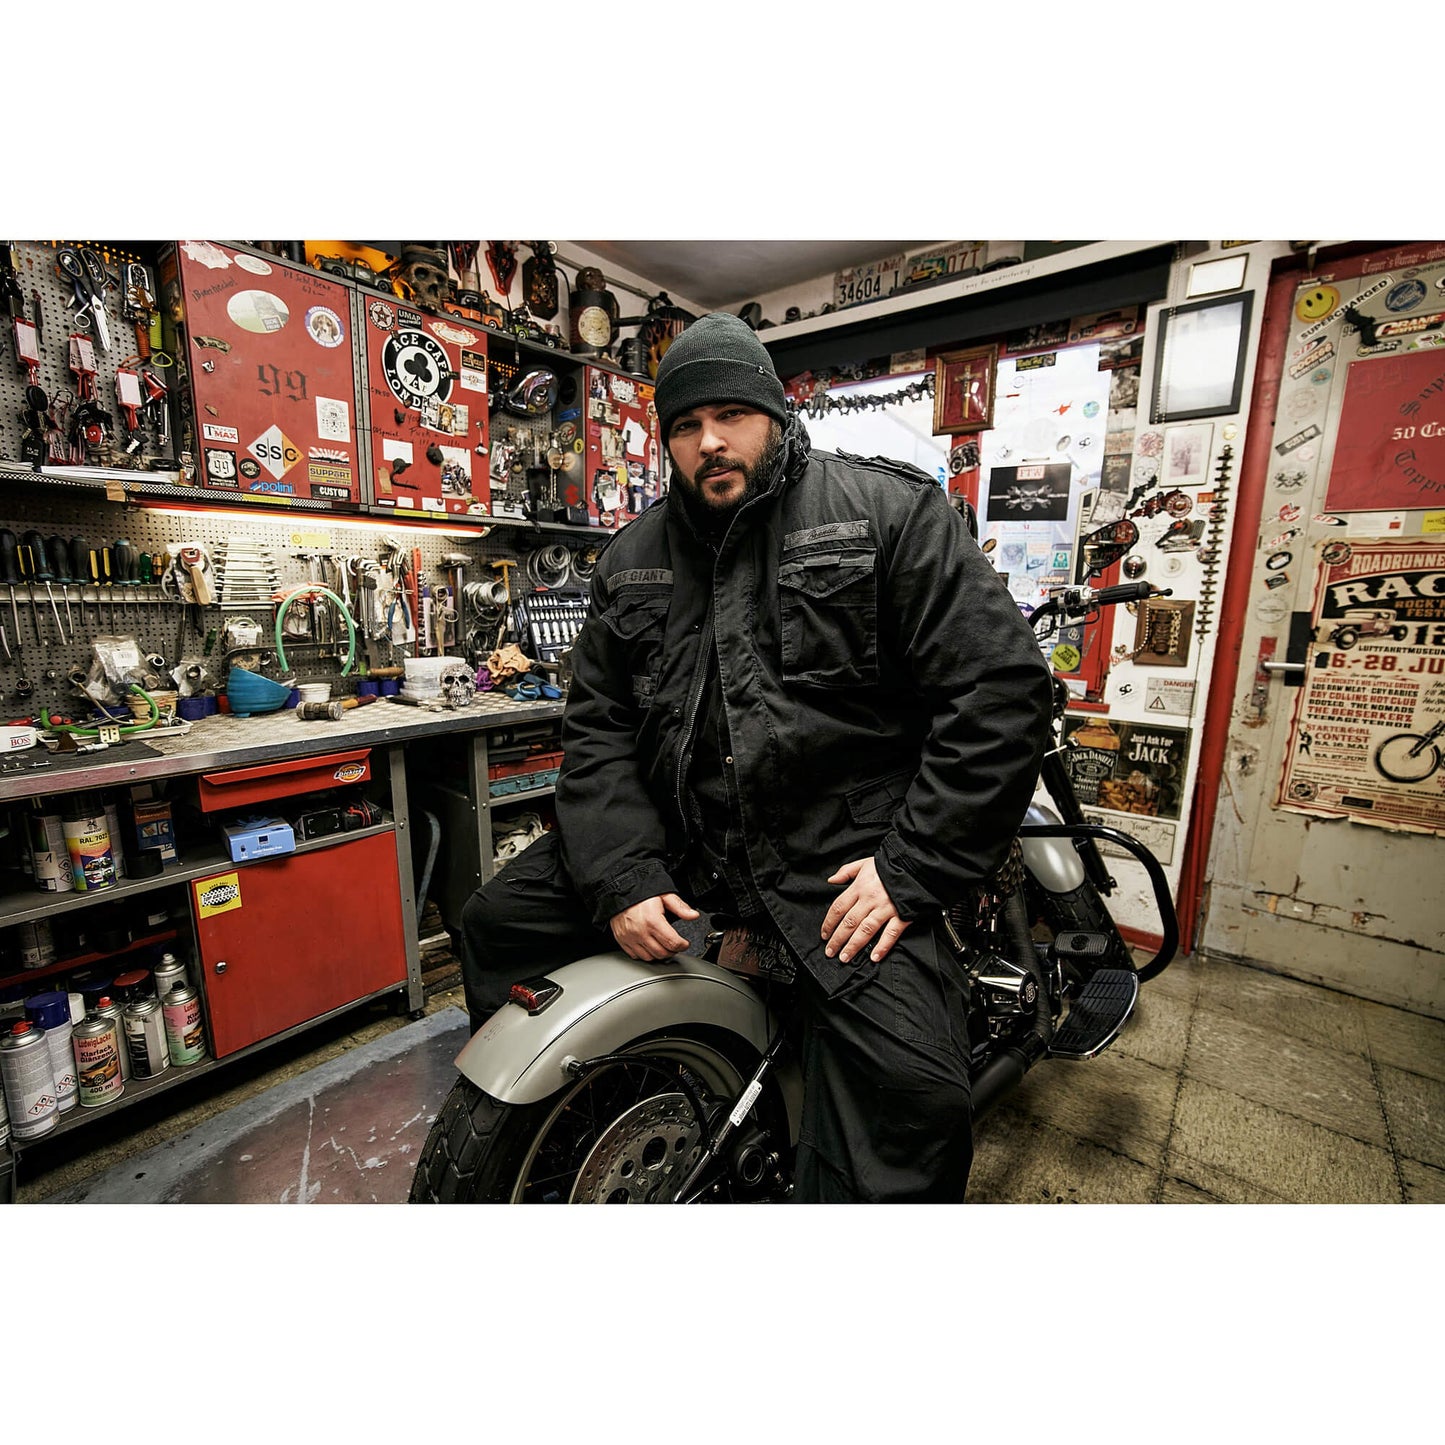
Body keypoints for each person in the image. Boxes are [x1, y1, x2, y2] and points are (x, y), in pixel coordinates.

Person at [459, 311, 1053, 1202]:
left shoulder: (887, 514)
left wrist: (909, 869)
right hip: (682, 838)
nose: (710, 441)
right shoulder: (631, 557)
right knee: (499, 921)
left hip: (833, 856)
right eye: (686, 425)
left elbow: (1000, 694)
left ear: (775, 415)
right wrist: (621, 874)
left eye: (731, 415)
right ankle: (574, 1118)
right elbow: (599, 731)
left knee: (913, 1097)